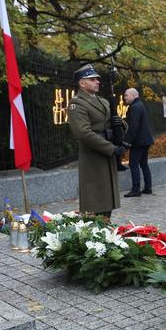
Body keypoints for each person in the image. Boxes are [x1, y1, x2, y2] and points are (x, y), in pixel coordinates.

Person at [68, 64, 127, 219]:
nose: (97, 82)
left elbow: (110, 125)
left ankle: (105, 232)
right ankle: (98, 235)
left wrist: (120, 125)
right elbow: (83, 133)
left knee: (107, 201)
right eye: (92, 79)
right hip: (94, 157)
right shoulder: (77, 103)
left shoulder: (103, 101)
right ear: (82, 83)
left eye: (97, 79)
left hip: (106, 155)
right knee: (97, 201)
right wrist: (111, 148)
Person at [122, 88, 155, 197]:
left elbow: (133, 127)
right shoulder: (139, 105)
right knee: (143, 164)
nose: (125, 97)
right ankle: (148, 188)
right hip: (145, 140)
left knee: (133, 164)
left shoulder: (135, 107)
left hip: (139, 142)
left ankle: (136, 190)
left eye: (126, 95)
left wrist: (127, 142)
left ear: (133, 95)